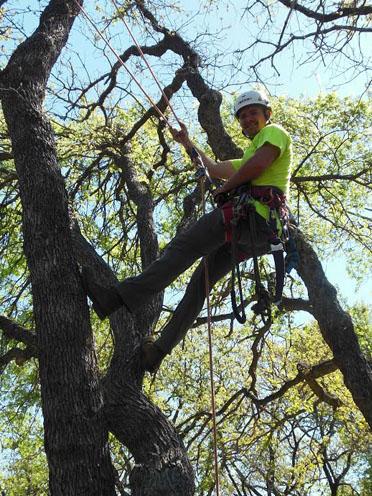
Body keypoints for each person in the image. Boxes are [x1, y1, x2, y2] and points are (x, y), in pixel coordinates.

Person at [82, 89, 292, 372]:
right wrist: (187, 142)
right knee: (199, 285)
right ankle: (157, 352)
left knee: (184, 248)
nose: (247, 119)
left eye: (253, 113)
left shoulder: (275, 133)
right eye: (242, 116)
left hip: (250, 218)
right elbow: (215, 167)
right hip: (257, 234)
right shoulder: (247, 155)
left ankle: (116, 297)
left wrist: (227, 189)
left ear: (266, 114)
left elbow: (258, 166)